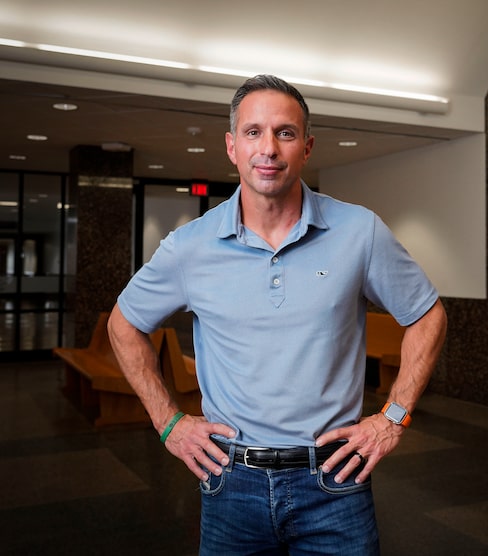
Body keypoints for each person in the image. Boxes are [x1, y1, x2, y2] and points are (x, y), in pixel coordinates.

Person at [107, 74, 447, 555]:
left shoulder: (359, 231)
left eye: (285, 133)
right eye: (253, 132)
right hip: (230, 483)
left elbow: (427, 315)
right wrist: (168, 422)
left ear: (306, 148)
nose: (268, 148)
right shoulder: (191, 246)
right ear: (232, 146)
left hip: (335, 482)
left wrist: (392, 418)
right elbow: (123, 324)